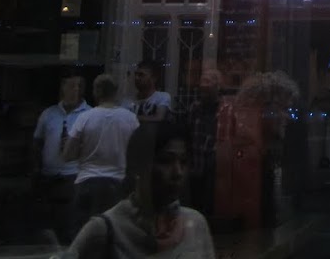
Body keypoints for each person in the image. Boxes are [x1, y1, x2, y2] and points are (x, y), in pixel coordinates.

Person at [67, 122, 215, 259]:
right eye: (165, 161)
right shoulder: (106, 229)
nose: (178, 172)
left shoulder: (195, 224)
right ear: (138, 166)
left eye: (183, 162)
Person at [65, 73, 141, 234]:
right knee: (116, 235)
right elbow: (137, 155)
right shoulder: (131, 119)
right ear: (116, 92)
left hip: (87, 183)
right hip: (118, 184)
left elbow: (67, 154)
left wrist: (84, 149)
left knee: (84, 236)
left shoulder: (84, 118)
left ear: (96, 92)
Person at [32, 73, 90, 241]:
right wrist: (35, 169)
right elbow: (37, 143)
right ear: (63, 87)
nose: (75, 90)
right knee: (46, 227)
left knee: (70, 225)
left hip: (73, 177)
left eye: (79, 86)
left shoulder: (89, 114)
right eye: (71, 86)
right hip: (48, 177)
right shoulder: (49, 113)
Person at [186, 72, 221, 218]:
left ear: (217, 87)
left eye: (208, 82)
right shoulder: (194, 108)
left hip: (214, 168)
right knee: (195, 205)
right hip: (195, 164)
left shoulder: (224, 109)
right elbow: (188, 134)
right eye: (202, 82)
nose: (203, 86)